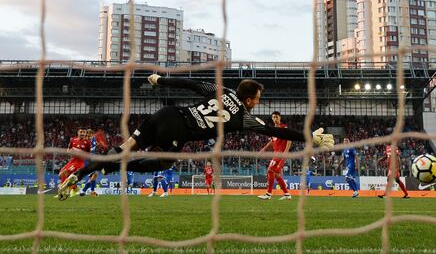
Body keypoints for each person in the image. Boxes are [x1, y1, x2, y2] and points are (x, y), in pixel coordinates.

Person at [57, 75, 334, 201]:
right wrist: (309, 138)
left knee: (125, 146)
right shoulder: (244, 117)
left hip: (167, 112)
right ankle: (114, 166)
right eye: (257, 100)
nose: (257, 104)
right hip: (179, 131)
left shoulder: (220, 89)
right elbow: (277, 131)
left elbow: (190, 82)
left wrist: (160, 80)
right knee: (162, 163)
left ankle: (82, 174)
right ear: (249, 99)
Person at [258, 111, 292, 200]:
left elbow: (289, 139)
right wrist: (264, 149)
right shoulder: (274, 130)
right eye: (273, 117)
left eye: (276, 117)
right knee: (276, 174)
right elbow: (272, 141)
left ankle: (268, 194)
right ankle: (287, 194)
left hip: (281, 153)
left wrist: (286, 152)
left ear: (280, 117)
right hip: (277, 153)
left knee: (270, 171)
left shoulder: (284, 128)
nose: (275, 119)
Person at [59, 128, 91, 198]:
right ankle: (74, 188)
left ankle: (63, 192)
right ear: (78, 132)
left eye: (84, 132)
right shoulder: (73, 140)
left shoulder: (87, 143)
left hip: (79, 162)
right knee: (61, 174)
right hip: (72, 160)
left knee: (65, 172)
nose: (82, 133)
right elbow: (68, 150)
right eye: (81, 132)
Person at [80, 129, 99, 197]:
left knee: (93, 176)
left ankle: (83, 191)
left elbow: (95, 144)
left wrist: (96, 144)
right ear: (86, 135)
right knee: (95, 174)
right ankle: (91, 191)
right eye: (88, 134)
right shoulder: (85, 141)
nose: (90, 135)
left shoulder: (93, 138)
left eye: (91, 134)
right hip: (87, 160)